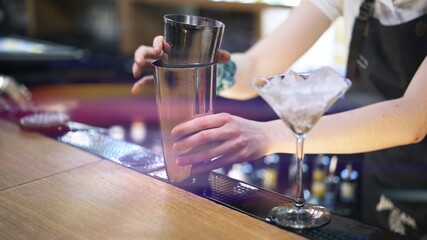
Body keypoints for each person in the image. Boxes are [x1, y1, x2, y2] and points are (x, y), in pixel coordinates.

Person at [132, 0, 427, 238]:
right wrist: (192, 72)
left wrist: (267, 136)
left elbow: (413, 118)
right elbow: (257, 66)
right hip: (378, 170)